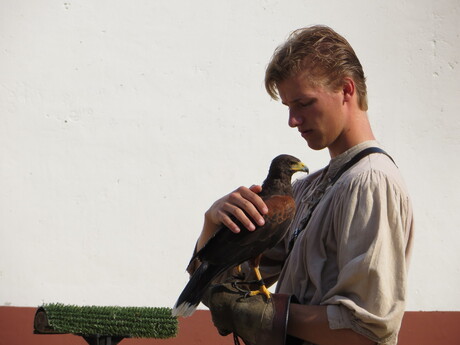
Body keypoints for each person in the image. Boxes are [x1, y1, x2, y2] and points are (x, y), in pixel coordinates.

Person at [187, 25, 414, 345]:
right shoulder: (307, 189)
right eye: (289, 107)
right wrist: (213, 222)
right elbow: (224, 288)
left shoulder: (370, 182)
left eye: (304, 103)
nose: (293, 120)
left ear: (346, 90)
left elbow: (366, 330)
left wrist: (267, 315)